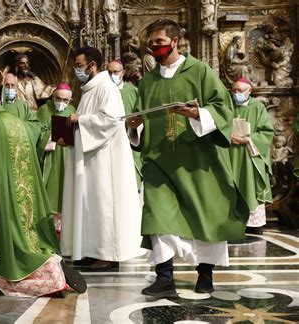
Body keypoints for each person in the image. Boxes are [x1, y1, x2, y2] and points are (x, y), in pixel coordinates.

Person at [127, 19, 249, 297]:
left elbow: (222, 108)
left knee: (204, 215)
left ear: (175, 41)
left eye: (159, 42)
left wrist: (198, 114)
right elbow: (140, 115)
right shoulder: (147, 82)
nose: (154, 47)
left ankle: (205, 274)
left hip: (198, 160)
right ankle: (164, 276)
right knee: (157, 215)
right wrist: (136, 126)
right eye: (151, 43)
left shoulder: (201, 71)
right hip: (159, 161)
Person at [0, 90, 86, 297]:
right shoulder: (19, 122)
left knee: (3, 239)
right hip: (25, 194)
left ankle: (49, 276)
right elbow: (38, 137)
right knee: (30, 237)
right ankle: (52, 263)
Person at [60, 46, 144, 271]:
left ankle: (107, 255)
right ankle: (90, 250)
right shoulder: (90, 89)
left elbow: (110, 121)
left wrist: (81, 120)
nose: (76, 70)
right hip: (90, 157)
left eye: (79, 65)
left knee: (102, 204)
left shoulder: (106, 87)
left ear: (92, 65)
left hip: (103, 160)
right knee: (89, 205)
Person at [229, 77, 274, 235]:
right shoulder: (228, 106)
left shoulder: (257, 107)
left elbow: (267, 132)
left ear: (250, 91)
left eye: (240, 91)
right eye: (234, 90)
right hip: (231, 154)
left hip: (250, 155)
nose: (236, 93)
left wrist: (248, 139)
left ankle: (253, 224)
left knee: (250, 184)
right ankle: (233, 221)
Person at [37, 83, 77, 232]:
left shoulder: (72, 111)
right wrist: (52, 138)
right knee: (51, 191)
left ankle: (64, 229)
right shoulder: (44, 111)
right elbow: (38, 131)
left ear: (70, 100)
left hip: (68, 156)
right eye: (58, 98)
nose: (61, 102)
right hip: (51, 157)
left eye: (65, 100)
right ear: (53, 96)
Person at [107, 59, 143, 189]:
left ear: (122, 72)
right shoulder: (102, 90)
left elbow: (141, 114)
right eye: (109, 72)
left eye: (115, 72)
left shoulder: (132, 91)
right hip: (109, 140)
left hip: (129, 139)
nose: (112, 75)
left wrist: (132, 126)